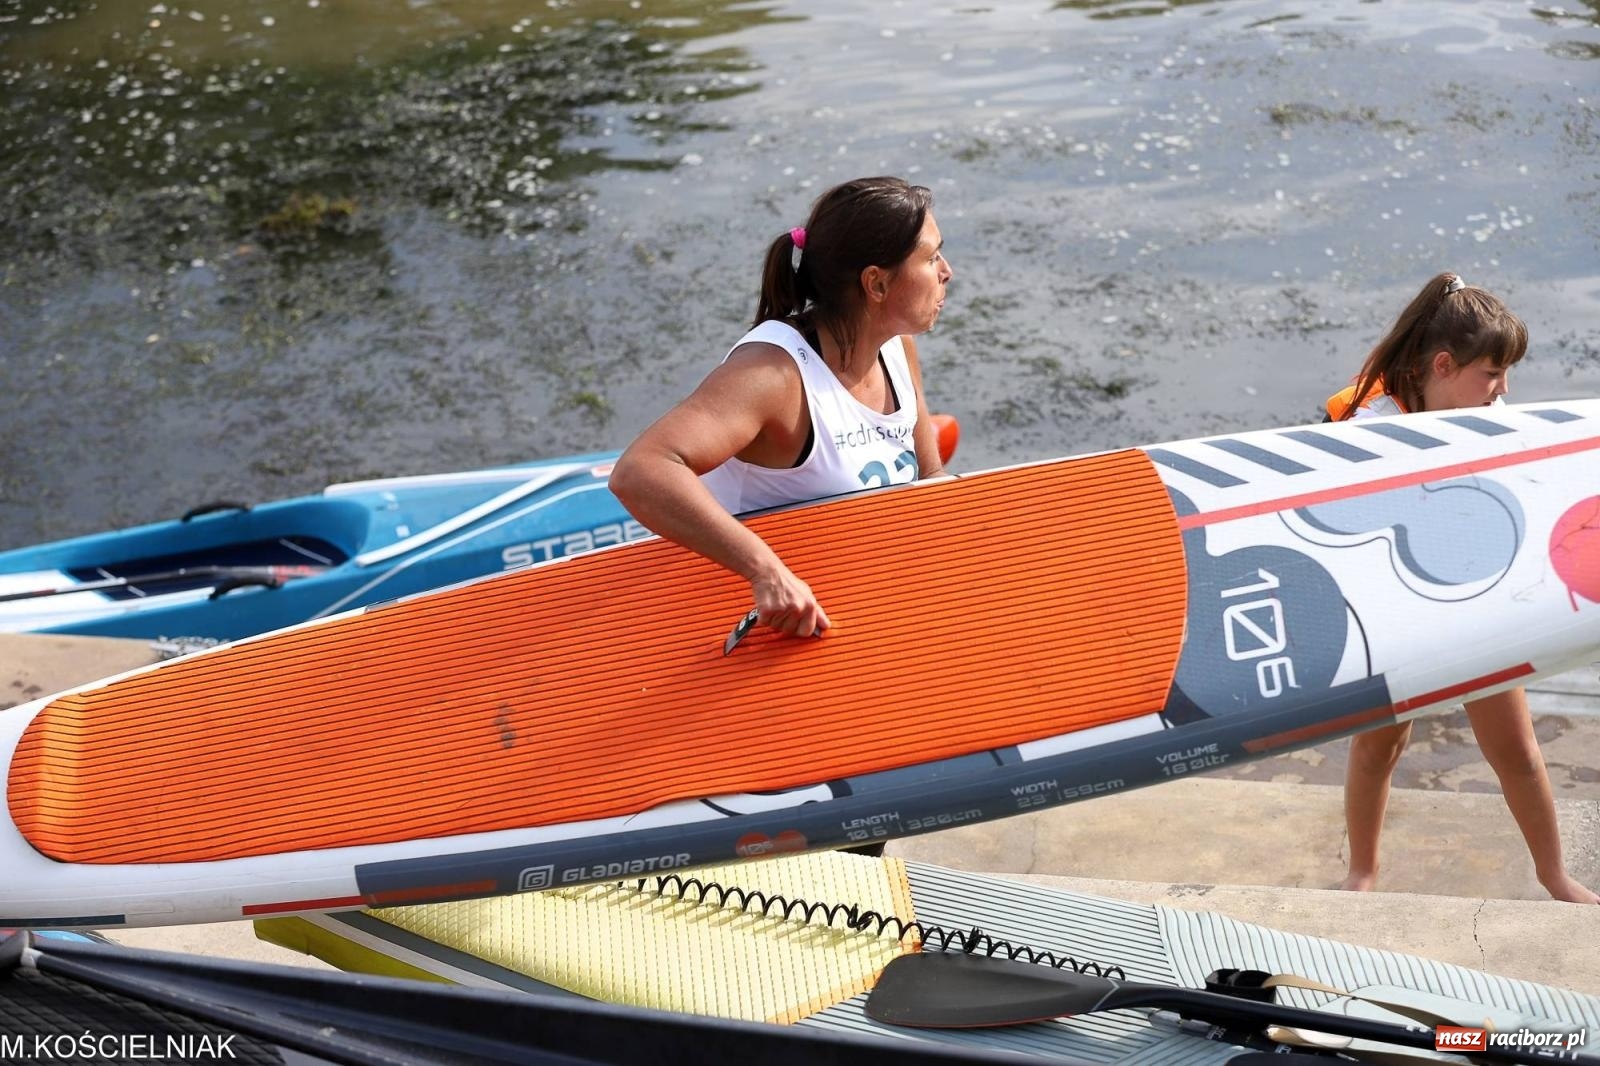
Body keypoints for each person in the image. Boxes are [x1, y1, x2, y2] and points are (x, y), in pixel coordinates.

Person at [1329, 271, 1599, 905]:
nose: (1503, 390)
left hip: (1473, 599)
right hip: (1393, 607)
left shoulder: (1485, 410)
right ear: (1444, 366)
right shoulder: (1365, 426)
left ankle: (1554, 876)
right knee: (1379, 748)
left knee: (1519, 753)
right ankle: (1362, 872)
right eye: (1491, 374)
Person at [609, 176, 952, 642]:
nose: (946, 271)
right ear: (876, 283)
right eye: (931, 258)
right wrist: (765, 570)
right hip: (749, 618)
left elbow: (929, 483)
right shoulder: (774, 376)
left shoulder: (895, 347)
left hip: (854, 594)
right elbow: (639, 471)